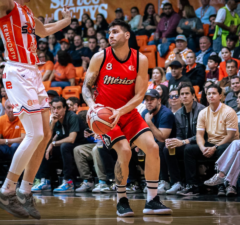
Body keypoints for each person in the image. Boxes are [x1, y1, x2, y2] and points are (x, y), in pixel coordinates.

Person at [82, 20, 172, 217]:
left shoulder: (140, 59)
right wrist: (93, 106)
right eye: (109, 33)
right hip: (106, 118)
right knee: (124, 150)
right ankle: (121, 200)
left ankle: (152, 200)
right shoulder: (100, 57)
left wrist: (121, 112)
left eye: (115, 32)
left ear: (127, 35)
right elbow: (85, 87)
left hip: (127, 113)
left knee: (153, 147)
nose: (110, 36)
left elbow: (140, 95)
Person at [0, 0, 71, 219]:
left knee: (44, 135)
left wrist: (65, 21)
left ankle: (25, 192)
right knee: (33, 134)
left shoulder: (26, 10)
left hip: (33, 72)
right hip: (17, 71)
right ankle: (6, 190)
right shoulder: (7, 6)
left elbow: (43, 30)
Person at [178, 84, 239, 196]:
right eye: (209, 94)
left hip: (228, 144)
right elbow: (199, 135)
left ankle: (221, 185)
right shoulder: (203, 112)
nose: (211, 96)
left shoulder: (229, 112)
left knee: (222, 150)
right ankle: (194, 186)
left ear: (220, 96)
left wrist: (214, 148)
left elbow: (230, 136)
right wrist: (203, 148)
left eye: (214, 93)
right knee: (188, 150)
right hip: (210, 143)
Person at [37, 97, 87, 192]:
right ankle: (45, 181)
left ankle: (68, 182)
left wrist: (54, 143)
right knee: (43, 147)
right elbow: (48, 140)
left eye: (59, 108)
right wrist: (52, 125)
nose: (56, 111)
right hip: (66, 148)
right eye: (54, 108)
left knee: (65, 146)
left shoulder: (72, 117)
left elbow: (71, 139)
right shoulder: (55, 119)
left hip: (79, 145)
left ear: (65, 108)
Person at [164, 83, 205, 194]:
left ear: (193, 95)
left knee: (188, 149)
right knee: (167, 148)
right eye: (182, 94)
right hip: (185, 143)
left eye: (187, 93)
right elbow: (179, 134)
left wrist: (183, 141)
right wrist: (175, 141)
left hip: (202, 143)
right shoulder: (178, 114)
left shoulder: (202, 111)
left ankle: (193, 185)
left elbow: (203, 134)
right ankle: (177, 182)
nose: (184, 96)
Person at [141, 89, 176, 195]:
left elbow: (162, 138)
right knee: (133, 149)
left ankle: (164, 181)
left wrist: (149, 122)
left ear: (159, 101)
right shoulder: (144, 113)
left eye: (152, 99)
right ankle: (138, 182)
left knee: (158, 146)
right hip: (153, 143)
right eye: (147, 100)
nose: (149, 102)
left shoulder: (166, 114)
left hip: (171, 144)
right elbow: (140, 132)